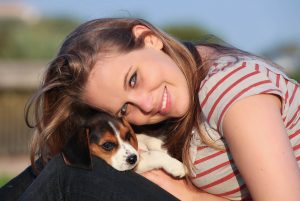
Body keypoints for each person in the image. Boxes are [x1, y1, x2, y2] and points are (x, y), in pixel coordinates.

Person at [1, 17, 300, 201]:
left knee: (68, 175)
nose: (145, 104)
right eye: (123, 109)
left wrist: (186, 195)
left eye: (133, 78)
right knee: (57, 160)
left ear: (150, 39)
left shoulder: (234, 91)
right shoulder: (180, 98)